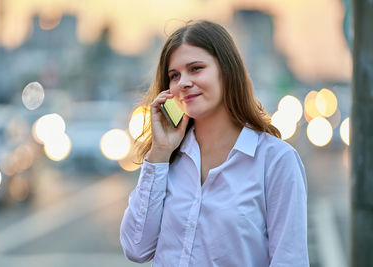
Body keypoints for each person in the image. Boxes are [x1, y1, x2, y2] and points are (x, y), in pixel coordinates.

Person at [120, 20, 309, 267]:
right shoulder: (168, 159)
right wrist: (160, 152)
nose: (183, 82)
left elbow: (289, 260)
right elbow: (136, 248)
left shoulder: (276, 160)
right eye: (174, 75)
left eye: (196, 68)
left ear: (227, 71)